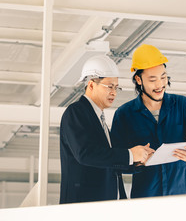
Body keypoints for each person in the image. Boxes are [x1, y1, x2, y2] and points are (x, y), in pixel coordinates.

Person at [110, 44, 186, 198]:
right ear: (138, 79)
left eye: (163, 77)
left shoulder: (183, 106)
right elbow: (115, 161)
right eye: (152, 80)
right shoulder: (124, 115)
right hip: (147, 200)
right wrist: (138, 161)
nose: (159, 85)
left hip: (182, 196)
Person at [59, 55, 154, 204]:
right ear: (91, 85)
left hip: (106, 206)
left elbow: (108, 162)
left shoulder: (98, 118)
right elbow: (85, 154)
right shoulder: (76, 112)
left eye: (116, 87)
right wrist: (130, 154)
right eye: (109, 86)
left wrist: (137, 162)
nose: (114, 93)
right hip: (84, 207)